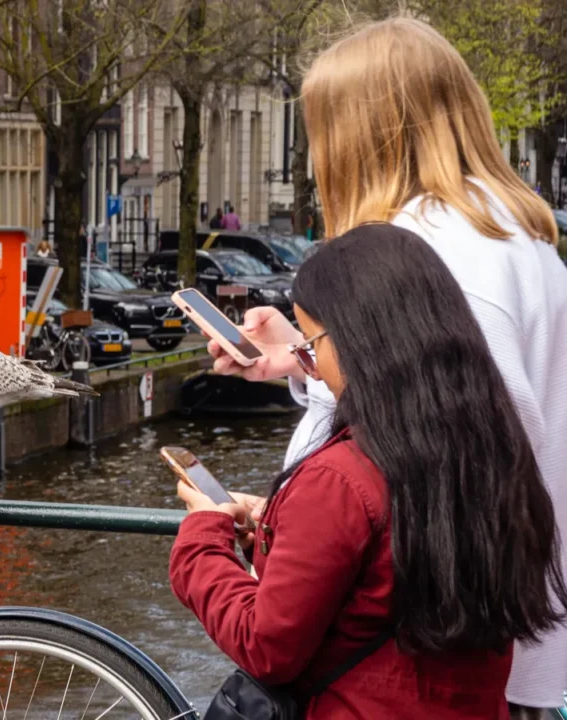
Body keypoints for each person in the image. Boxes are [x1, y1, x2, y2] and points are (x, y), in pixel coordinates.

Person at [205, 18, 567, 717]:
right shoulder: (516, 235)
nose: (316, 156)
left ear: (361, 135)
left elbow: (461, 454)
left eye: (321, 131)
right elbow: (433, 401)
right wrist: (309, 355)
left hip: (428, 658)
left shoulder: (433, 255)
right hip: (498, 637)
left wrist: (301, 526)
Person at [173, 225, 567, 718]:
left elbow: (266, 646)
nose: (308, 364)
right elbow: (385, 581)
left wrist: (203, 537)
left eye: (311, 343)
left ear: (360, 341)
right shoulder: (490, 450)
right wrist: (280, 533)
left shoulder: (340, 479)